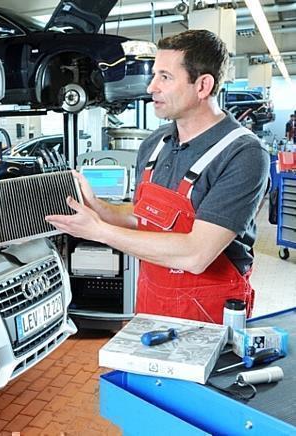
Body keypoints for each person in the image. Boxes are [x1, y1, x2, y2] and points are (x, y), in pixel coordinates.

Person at [46, 30, 269, 324]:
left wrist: (98, 230)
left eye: (165, 77)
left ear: (203, 85)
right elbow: (145, 217)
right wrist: (98, 207)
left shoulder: (244, 154)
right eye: (154, 75)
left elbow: (196, 255)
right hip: (151, 300)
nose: (151, 87)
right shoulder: (155, 145)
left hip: (210, 313)